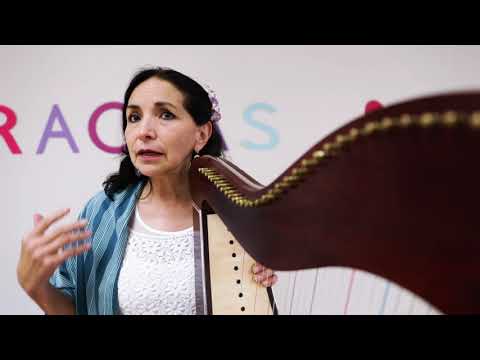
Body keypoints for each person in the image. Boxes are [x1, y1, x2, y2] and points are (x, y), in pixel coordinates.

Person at [16, 67, 277, 315]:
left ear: (202, 134)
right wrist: (37, 287)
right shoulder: (102, 212)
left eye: (166, 115)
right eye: (134, 117)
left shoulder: (234, 216)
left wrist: (257, 283)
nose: (143, 132)